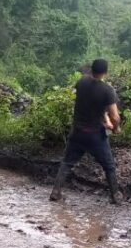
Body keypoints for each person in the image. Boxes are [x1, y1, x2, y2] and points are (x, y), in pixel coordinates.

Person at [50, 59, 123, 204]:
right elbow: (115, 116)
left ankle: (56, 192)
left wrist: (105, 118)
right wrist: (115, 128)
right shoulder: (107, 91)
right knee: (109, 166)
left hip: (77, 132)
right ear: (106, 72)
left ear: (91, 70)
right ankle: (116, 196)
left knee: (67, 163)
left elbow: (91, 104)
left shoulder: (82, 82)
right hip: (96, 136)